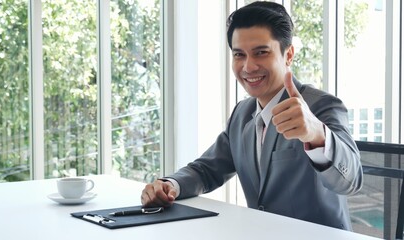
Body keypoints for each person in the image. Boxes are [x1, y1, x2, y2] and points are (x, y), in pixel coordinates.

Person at [141, 1, 363, 231]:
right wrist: (170, 185)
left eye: (261, 53)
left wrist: (318, 134)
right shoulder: (242, 113)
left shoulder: (320, 106)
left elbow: (352, 180)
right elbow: (206, 170)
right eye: (239, 55)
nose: (248, 67)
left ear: (288, 55)